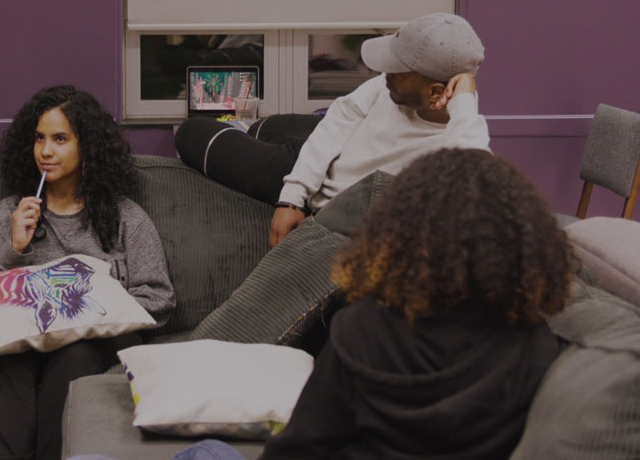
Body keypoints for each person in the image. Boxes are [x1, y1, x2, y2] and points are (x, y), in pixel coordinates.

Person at [138, 149, 574, 460]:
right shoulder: (536, 345)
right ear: (520, 239)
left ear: (402, 231)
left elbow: (302, 446)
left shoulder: (365, 327)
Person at [0, 84, 175, 460]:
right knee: (1, 360)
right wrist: (13, 248)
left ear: (87, 147)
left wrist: (91, 304)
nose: (46, 151)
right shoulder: (7, 215)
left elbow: (159, 297)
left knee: (76, 355)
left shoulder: (125, 217)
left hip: (93, 341)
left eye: (60, 139)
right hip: (23, 338)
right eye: (39, 139)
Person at [173, 13, 489, 246]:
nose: (383, 72)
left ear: (436, 93)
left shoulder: (460, 146)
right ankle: (255, 135)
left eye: (396, 69)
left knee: (191, 132)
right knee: (269, 126)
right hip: (329, 148)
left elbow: (474, 179)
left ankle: (257, 146)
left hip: (320, 190)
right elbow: (342, 114)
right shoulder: (388, 84)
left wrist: (293, 202)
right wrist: (291, 194)